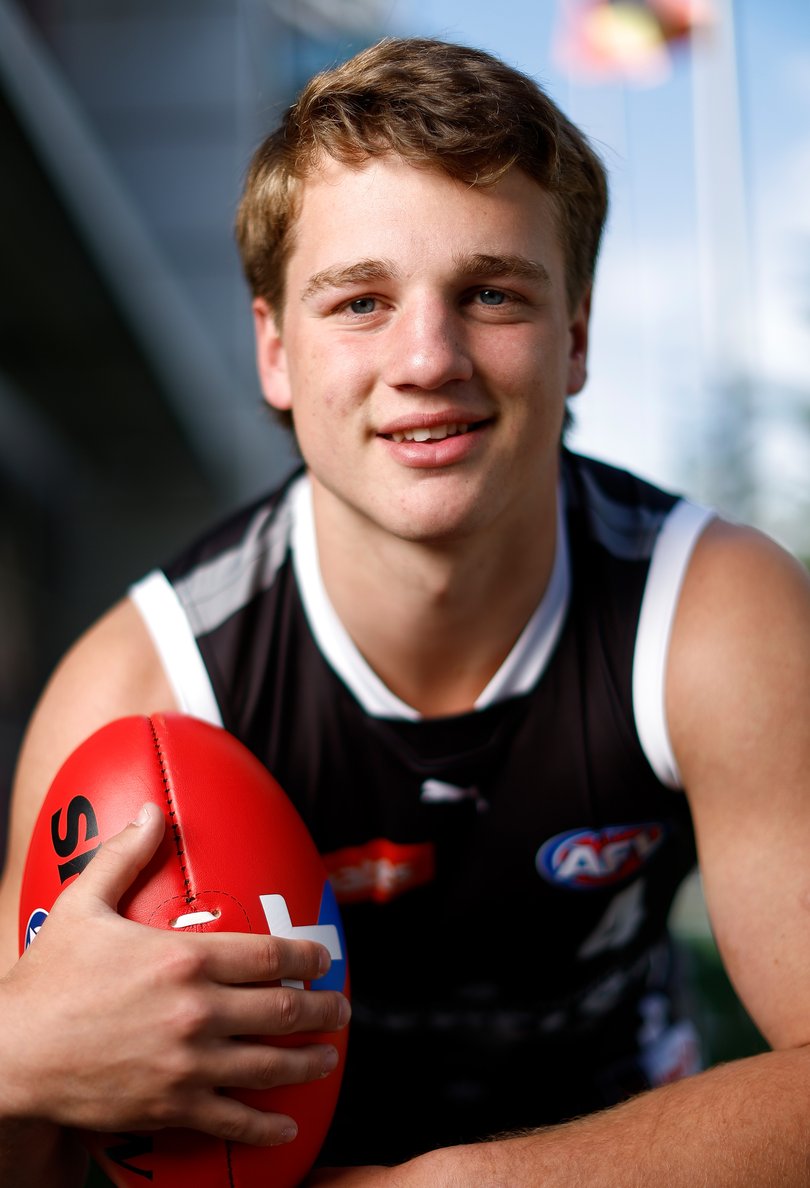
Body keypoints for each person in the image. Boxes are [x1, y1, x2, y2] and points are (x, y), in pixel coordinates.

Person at [1, 34, 810, 1187]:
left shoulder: (711, 606)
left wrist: (454, 1184)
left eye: (490, 292)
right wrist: (16, 1060)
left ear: (575, 334)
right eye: (361, 301)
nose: (426, 358)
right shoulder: (145, 683)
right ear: (275, 350)